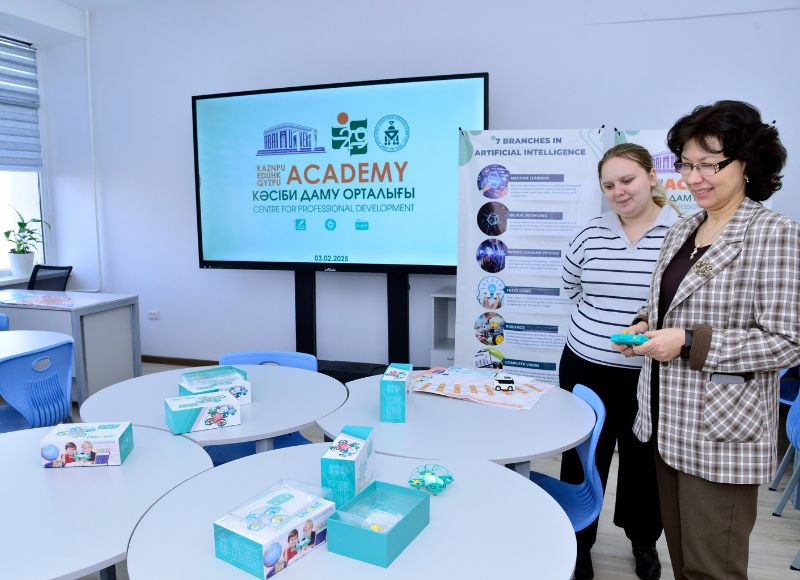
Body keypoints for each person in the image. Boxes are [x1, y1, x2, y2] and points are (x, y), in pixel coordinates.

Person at [614, 100, 800, 579]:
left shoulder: (775, 234)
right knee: (684, 563)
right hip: (665, 421)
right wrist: (644, 325)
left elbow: (787, 340)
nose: (694, 178)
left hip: (721, 432)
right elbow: (668, 306)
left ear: (747, 163)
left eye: (709, 165)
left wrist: (688, 341)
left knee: (712, 570)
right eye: (686, 165)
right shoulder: (683, 227)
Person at [561, 143, 679, 579]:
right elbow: (572, 287)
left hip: (649, 372)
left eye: (627, 180)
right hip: (585, 366)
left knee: (643, 460)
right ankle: (578, 543)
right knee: (583, 457)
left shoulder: (682, 234)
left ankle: (643, 541)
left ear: (652, 176)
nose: (619, 191)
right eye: (609, 185)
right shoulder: (589, 233)